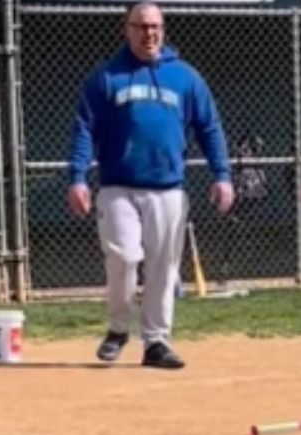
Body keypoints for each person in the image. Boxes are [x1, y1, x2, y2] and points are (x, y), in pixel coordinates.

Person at [67, 2, 234, 369]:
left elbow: (209, 128)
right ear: (126, 30)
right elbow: (84, 128)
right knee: (124, 257)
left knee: (163, 267)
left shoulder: (186, 78)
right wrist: (77, 177)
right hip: (118, 186)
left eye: (155, 26)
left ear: (164, 29)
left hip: (168, 188)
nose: (149, 34)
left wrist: (222, 175)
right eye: (141, 26)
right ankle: (117, 329)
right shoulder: (107, 76)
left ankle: (156, 341)